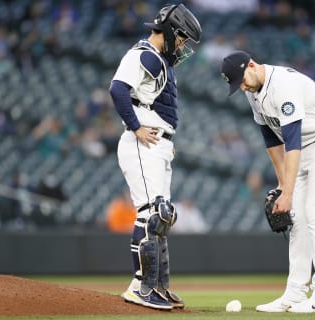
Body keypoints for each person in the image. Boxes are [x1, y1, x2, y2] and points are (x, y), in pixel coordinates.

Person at [221, 51, 315, 313]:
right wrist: (283, 185)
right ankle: (294, 294)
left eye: (242, 79)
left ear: (251, 65)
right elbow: (272, 141)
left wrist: (289, 192)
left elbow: (291, 144)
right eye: (237, 84)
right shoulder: (252, 92)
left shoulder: (282, 85)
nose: (243, 86)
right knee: (298, 221)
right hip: (306, 147)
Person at [109, 3, 202, 311]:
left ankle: (159, 286)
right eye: (183, 38)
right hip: (142, 142)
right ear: (172, 32)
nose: (184, 45)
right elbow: (118, 90)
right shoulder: (144, 54)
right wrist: (136, 127)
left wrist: (165, 137)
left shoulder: (159, 59)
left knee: (162, 217)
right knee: (152, 214)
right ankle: (141, 286)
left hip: (158, 143)